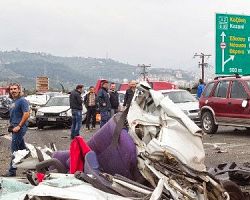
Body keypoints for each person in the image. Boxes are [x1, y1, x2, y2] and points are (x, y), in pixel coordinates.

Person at [4, 83, 30, 177]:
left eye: (15, 89)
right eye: (11, 89)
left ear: (19, 90)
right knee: (23, 149)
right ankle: (33, 163)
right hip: (14, 127)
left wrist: (19, 126)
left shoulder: (22, 101)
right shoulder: (13, 101)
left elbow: (26, 114)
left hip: (19, 128)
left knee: (14, 150)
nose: (13, 91)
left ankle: (12, 171)